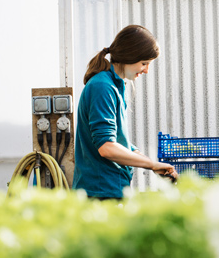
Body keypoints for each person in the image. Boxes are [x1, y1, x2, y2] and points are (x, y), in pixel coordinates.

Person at [73, 25, 178, 199]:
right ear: (130, 55)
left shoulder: (117, 86)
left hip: (111, 189)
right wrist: (150, 164)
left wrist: (154, 164)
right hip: (99, 193)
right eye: (144, 63)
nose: (146, 70)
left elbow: (120, 142)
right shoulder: (102, 86)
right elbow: (107, 147)